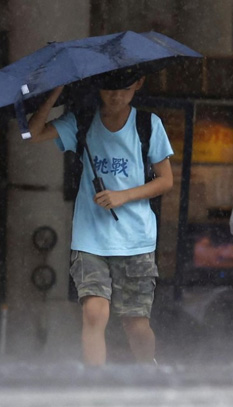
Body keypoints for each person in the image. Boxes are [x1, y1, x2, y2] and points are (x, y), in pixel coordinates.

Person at [25, 72, 174, 365]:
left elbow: (166, 180)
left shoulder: (147, 124)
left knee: (136, 323)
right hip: (90, 236)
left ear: (138, 84)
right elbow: (32, 133)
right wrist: (56, 92)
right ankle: (96, 382)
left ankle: (148, 369)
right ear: (99, 88)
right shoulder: (82, 121)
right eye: (109, 89)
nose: (116, 96)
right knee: (94, 312)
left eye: (125, 89)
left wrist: (123, 195)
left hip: (136, 238)